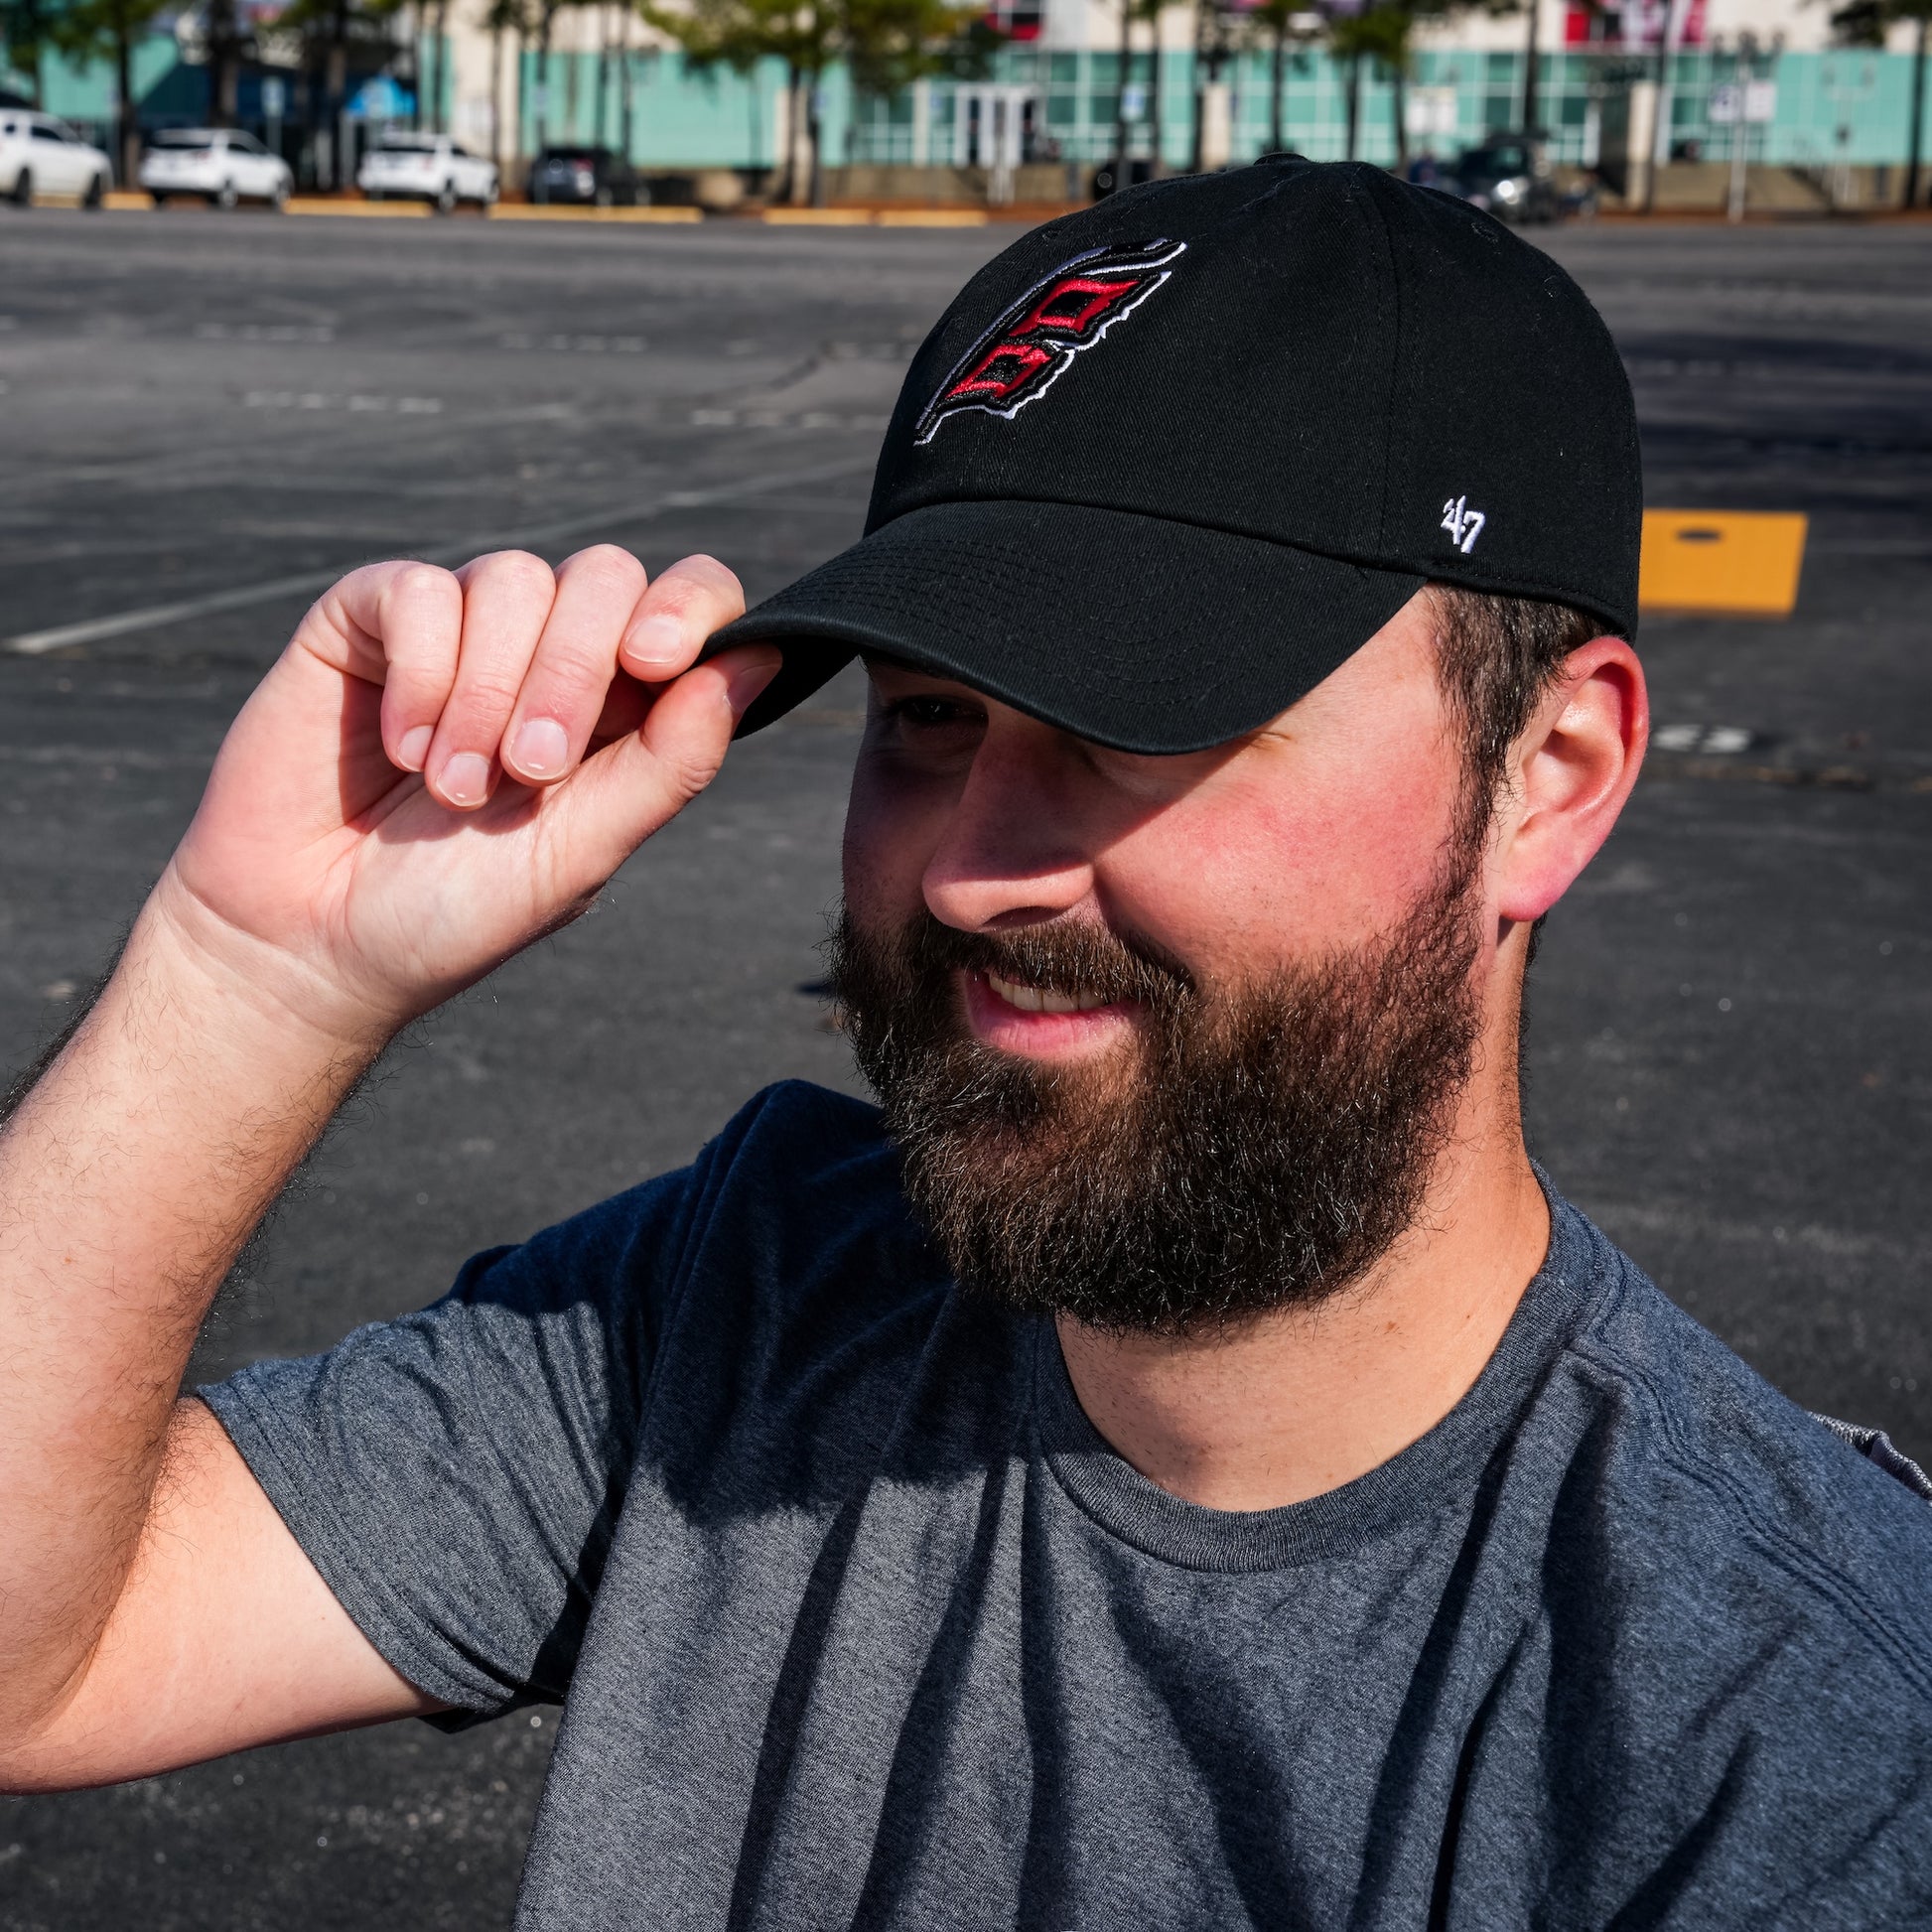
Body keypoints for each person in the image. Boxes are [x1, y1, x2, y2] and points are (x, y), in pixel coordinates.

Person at [2, 158, 1929, 1928]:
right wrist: (253, 972)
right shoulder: (750, 1301)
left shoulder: (1781, 1741)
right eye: (926, 716)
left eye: (1143, 721)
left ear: (1550, 774)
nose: (973, 873)